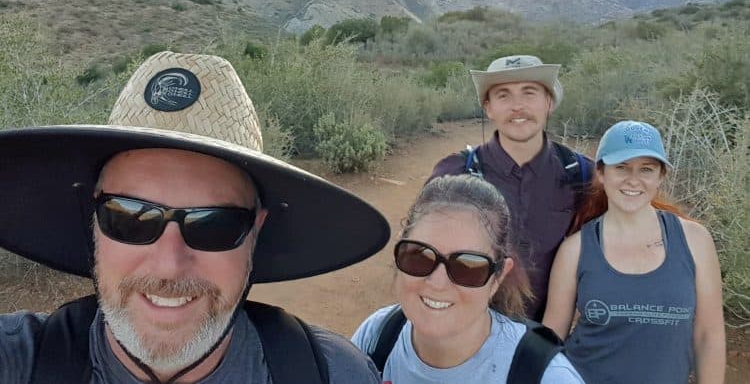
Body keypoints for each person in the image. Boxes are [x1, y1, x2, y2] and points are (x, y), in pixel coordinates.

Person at [0, 51, 389, 383]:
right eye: (130, 217)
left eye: (215, 224)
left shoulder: (334, 373)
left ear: (256, 233)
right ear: (93, 220)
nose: (169, 266)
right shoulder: (17, 360)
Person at [352, 174, 584, 383]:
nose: (437, 282)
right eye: (420, 256)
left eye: (468, 266)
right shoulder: (378, 335)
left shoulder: (546, 377)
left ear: (498, 276)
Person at [543, 120, 726, 384]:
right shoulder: (576, 248)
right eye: (622, 167)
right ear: (602, 173)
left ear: (660, 176)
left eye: (646, 169)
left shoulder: (695, 240)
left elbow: (709, 335)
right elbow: (552, 340)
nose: (633, 180)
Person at [428, 54, 593, 321]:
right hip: (468, 330)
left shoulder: (582, 174)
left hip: (548, 337)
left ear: (549, 102)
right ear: (488, 108)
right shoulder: (455, 172)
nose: (518, 106)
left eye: (529, 93)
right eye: (504, 95)